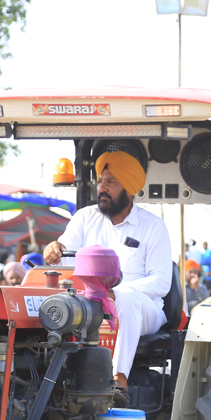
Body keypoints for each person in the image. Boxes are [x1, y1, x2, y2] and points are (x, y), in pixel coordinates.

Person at [43, 150, 171, 393]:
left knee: (127, 298)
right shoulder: (84, 218)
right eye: (101, 181)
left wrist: (114, 294)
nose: (102, 187)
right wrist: (53, 250)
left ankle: (118, 379)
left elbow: (162, 283)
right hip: (89, 305)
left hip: (144, 309)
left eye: (111, 182)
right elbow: (63, 258)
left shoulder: (153, 227)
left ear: (129, 188)